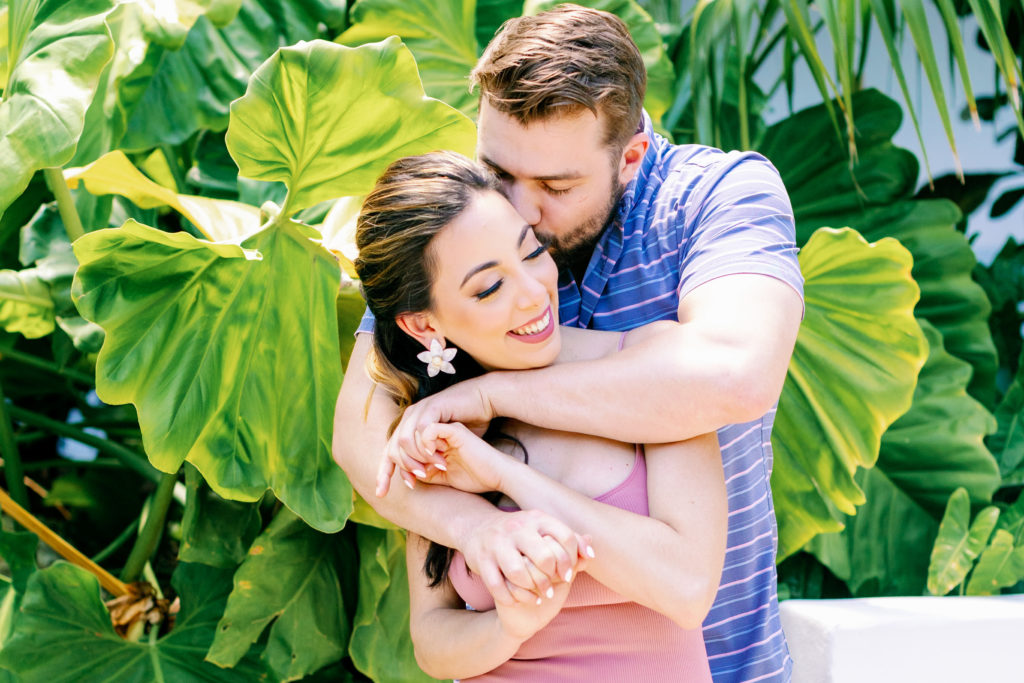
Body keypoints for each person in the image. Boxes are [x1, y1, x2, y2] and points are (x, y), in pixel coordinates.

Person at [333, 5, 804, 681]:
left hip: (724, 660)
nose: (519, 212)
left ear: (630, 158)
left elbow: (734, 376)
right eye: (499, 172)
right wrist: (476, 529)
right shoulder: (465, 225)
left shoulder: (714, 198)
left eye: (555, 187)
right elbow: (360, 433)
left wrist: (492, 393)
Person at [354, 151, 727, 680]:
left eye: (531, 253)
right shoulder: (435, 431)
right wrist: (508, 626)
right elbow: (432, 640)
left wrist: (504, 475)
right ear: (422, 325)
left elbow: (688, 589)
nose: (533, 295)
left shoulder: (652, 366)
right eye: (489, 288)